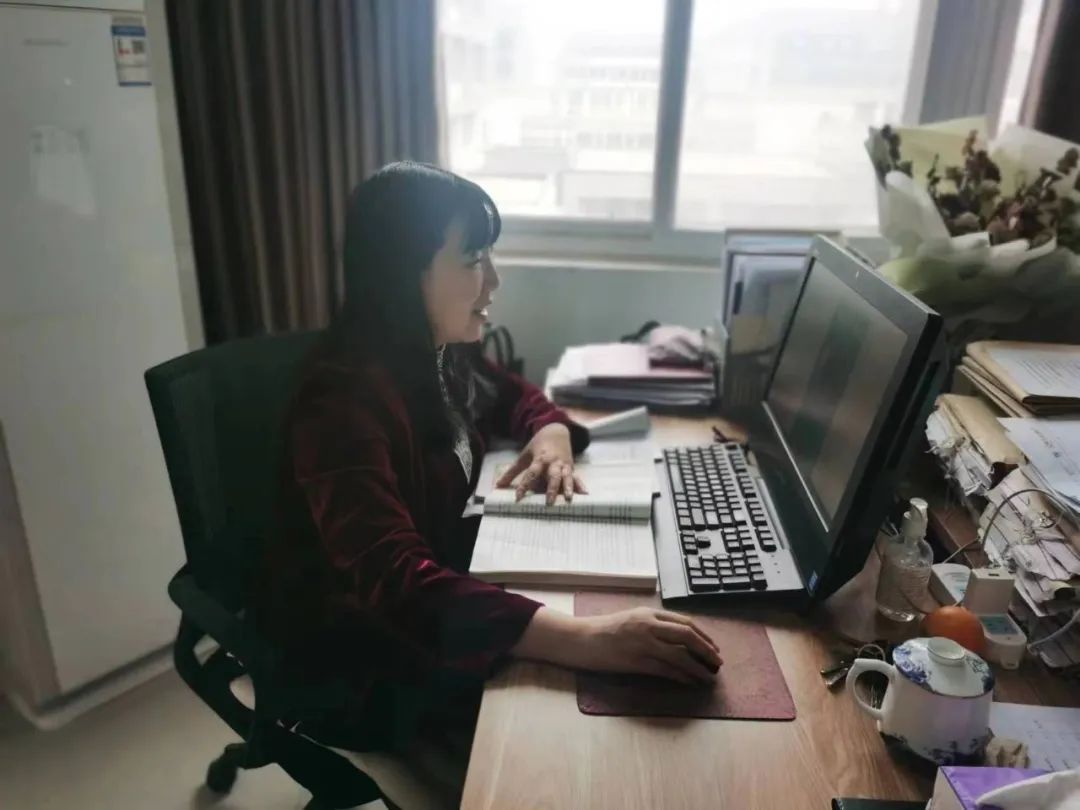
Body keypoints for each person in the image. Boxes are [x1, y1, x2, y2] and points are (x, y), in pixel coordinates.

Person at [257, 162, 721, 807]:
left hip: (444, 595)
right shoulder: (341, 403)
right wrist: (586, 639)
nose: (494, 280)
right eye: (474, 260)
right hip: (362, 656)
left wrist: (551, 433)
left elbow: (512, 395)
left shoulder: (435, 350)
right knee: (585, 754)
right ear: (404, 272)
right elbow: (393, 580)